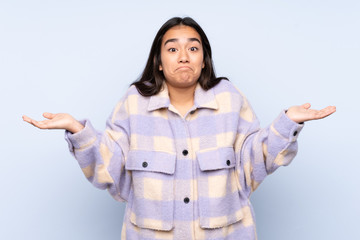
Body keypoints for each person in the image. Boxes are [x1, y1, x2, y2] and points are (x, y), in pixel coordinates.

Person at [23, 17, 336, 240]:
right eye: (172, 49)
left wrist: (287, 123)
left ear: (203, 59)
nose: (183, 56)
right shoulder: (133, 103)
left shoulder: (229, 98)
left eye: (193, 48)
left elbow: (254, 164)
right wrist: (78, 130)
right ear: (159, 61)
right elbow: (111, 172)